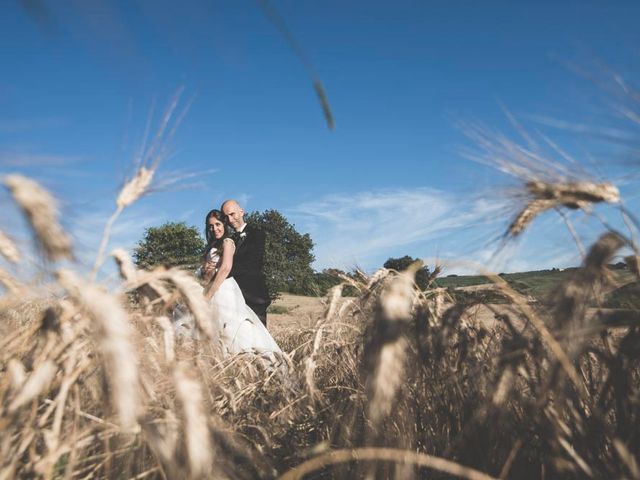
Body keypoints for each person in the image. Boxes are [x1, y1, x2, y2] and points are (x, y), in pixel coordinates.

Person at [201, 209, 283, 361]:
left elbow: (234, 267)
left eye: (219, 223)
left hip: (247, 291)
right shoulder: (218, 243)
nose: (215, 228)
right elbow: (211, 275)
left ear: (241, 212)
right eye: (211, 226)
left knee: (249, 335)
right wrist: (207, 271)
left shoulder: (252, 235)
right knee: (220, 331)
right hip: (229, 290)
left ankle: (263, 364)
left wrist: (209, 293)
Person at [221, 199, 271, 326]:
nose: (230, 220)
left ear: (241, 212)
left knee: (259, 342)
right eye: (226, 217)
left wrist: (222, 271)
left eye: (232, 214)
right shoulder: (228, 241)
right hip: (233, 299)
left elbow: (252, 263)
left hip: (254, 298)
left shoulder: (257, 234)